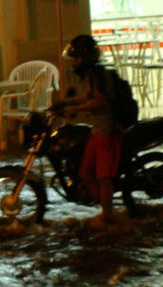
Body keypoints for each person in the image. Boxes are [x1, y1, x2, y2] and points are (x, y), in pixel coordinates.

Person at [52, 34, 124, 228]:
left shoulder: (101, 75)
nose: (74, 62)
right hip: (96, 131)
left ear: (86, 57)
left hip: (107, 132)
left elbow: (100, 100)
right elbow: (87, 98)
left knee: (103, 177)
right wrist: (64, 103)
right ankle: (106, 210)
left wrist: (74, 110)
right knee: (85, 173)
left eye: (77, 58)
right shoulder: (91, 76)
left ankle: (108, 217)